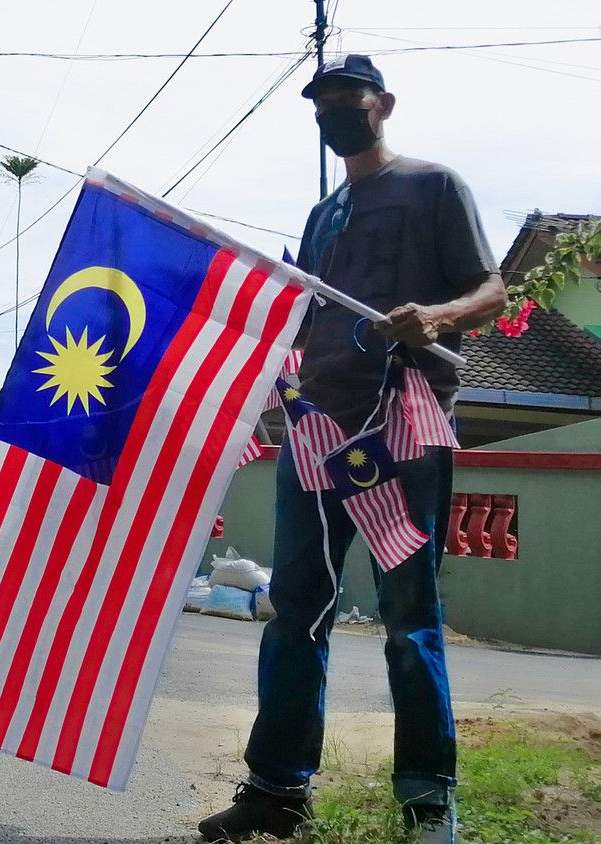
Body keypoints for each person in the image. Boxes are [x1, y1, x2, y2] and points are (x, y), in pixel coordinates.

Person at [198, 55, 506, 843]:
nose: (334, 112)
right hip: (317, 432)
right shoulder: (323, 214)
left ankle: (428, 803)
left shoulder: (435, 186)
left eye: (347, 100)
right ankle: (276, 792)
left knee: (411, 617)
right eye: (322, 104)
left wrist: (434, 319)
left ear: (384, 104)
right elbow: (303, 318)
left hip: (402, 425)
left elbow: (491, 291)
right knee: (295, 610)